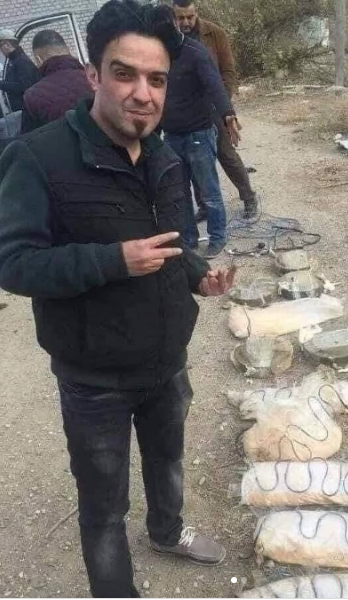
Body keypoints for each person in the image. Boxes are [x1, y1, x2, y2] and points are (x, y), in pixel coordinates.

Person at [0, 1, 236, 597]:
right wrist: (113, 260)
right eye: (125, 73)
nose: (142, 94)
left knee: (167, 462)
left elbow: (174, 245)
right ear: (94, 75)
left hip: (167, 361)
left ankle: (167, 531)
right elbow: (13, 262)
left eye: (156, 79)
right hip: (94, 380)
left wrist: (199, 275)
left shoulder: (164, 154)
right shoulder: (39, 156)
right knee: (104, 505)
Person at [159, 6, 241, 259]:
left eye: (188, 17)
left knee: (209, 192)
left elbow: (215, 85)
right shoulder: (160, 54)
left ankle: (217, 237)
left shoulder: (196, 52)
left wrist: (228, 114)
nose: (185, 22)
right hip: (171, 136)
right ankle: (189, 239)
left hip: (199, 134)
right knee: (180, 193)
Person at [173, 0, 258, 221]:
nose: (186, 22)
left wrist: (223, 106)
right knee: (194, 159)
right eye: (181, 18)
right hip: (188, 111)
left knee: (226, 154)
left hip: (214, 106)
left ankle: (248, 197)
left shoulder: (215, 33)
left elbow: (228, 72)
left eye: (190, 17)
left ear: (196, 12)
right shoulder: (170, 38)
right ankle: (203, 206)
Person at [21, 30, 93, 133]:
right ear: (69, 51)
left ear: (38, 59)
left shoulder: (32, 95)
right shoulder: (95, 77)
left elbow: (29, 137)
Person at [0, 29, 40, 112]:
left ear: (7, 44)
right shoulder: (13, 60)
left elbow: (25, 87)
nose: (0, 50)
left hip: (26, 111)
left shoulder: (22, 61)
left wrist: (1, 84)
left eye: (0, 46)